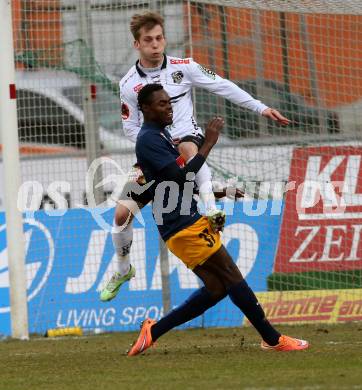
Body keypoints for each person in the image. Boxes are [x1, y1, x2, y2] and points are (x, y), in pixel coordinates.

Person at [100, 11, 291, 302]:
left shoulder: (184, 67)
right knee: (121, 215)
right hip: (155, 158)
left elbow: (224, 85)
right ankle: (124, 268)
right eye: (148, 40)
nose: (155, 44)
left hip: (187, 142)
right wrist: (152, 150)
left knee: (187, 149)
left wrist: (260, 108)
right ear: (137, 44)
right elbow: (130, 127)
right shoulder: (128, 84)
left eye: (159, 38)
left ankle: (211, 208)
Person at [127, 83, 308, 355]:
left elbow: (173, 183)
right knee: (232, 275)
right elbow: (181, 177)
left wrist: (220, 190)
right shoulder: (148, 140)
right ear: (145, 108)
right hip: (182, 223)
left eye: (169, 102)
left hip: (181, 221)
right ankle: (272, 338)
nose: (169, 107)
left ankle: (154, 331)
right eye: (162, 103)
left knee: (216, 289)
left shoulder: (160, 136)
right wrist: (208, 143)